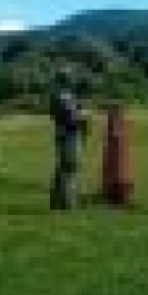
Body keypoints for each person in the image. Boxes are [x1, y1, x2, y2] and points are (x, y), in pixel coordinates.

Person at [49, 80, 88, 210]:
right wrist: (82, 116)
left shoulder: (57, 96)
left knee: (62, 167)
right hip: (70, 135)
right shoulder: (65, 97)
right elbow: (72, 119)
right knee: (70, 167)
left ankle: (56, 200)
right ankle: (67, 202)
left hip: (62, 134)